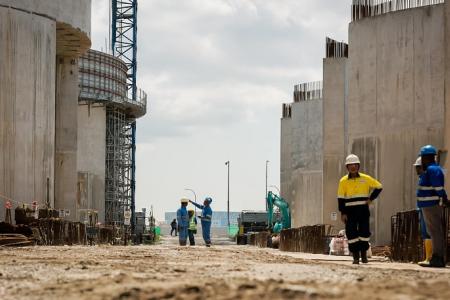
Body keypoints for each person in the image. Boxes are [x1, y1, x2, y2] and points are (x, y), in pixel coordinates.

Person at [337, 154, 383, 264]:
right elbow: (341, 198)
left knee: (364, 233)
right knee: (351, 234)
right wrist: (343, 213)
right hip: (349, 212)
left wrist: (371, 198)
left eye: (355, 164)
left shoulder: (365, 178)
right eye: (350, 165)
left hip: (363, 210)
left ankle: (364, 255)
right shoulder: (343, 181)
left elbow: (379, 187)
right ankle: (356, 257)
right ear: (347, 167)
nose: (353, 167)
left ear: (358, 166)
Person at [417, 145, 448, 268]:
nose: (422, 160)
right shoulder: (431, 169)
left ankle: (438, 258)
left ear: (426, 158)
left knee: (435, 232)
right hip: (427, 205)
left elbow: (438, 187)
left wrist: (444, 197)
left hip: (430, 205)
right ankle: (437, 257)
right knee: (434, 231)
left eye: (423, 157)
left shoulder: (432, 169)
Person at [414, 157, 433, 267]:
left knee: (428, 232)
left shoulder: (427, 177)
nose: (416, 169)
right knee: (425, 232)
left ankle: (429, 257)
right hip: (422, 207)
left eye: (418, 167)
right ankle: (427, 257)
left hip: (427, 207)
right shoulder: (422, 178)